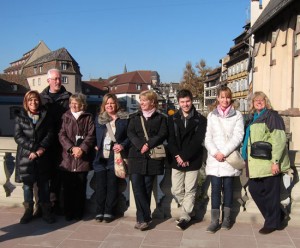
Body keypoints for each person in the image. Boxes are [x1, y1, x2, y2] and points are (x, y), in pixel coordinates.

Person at [241, 91, 290, 234]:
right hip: (255, 163)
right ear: (252, 103)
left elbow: (279, 140)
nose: (258, 102)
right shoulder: (252, 118)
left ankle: (272, 223)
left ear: (266, 101)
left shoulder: (272, 116)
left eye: (261, 100)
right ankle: (277, 216)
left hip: (268, 162)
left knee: (271, 194)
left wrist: (275, 162)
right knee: (254, 190)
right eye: (256, 100)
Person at [204, 86, 244, 233]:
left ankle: (226, 219)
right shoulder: (211, 115)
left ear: (230, 98)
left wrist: (224, 152)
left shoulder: (237, 115)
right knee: (215, 190)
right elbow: (208, 137)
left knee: (228, 189)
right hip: (215, 159)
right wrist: (215, 153)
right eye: (222, 97)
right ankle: (214, 221)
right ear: (217, 99)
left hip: (228, 158)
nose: (225, 100)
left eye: (227, 97)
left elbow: (238, 136)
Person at [127, 90, 168, 231]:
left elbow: (163, 134)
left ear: (152, 102)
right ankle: (146, 216)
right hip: (136, 157)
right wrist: (140, 145)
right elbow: (130, 133)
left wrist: (148, 144)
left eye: (144, 100)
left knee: (147, 188)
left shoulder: (161, 118)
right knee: (137, 189)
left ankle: (141, 219)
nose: (141, 102)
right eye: (140, 100)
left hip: (152, 158)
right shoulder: (134, 117)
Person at [167, 89, 207, 230]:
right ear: (178, 102)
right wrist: (179, 157)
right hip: (176, 159)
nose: (185, 104)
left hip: (193, 159)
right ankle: (190, 210)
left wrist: (185, 156)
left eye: (187, 101)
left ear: (192, 100)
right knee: (176, 190)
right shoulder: (171, 118)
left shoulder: (201, 119)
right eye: (182, 102)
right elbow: (170, 140)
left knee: (190, 189)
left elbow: (197, 141)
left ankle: (185, 216)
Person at [14, 90, 55, 224]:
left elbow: (50, 133)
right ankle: (28, 211)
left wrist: (40, 149)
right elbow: (18, 136)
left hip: (42, 156)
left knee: (44, 185)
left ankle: (45, 211)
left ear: (39, 101)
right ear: (26, 102)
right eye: (30, 100)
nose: (33, 102)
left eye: (36, 99)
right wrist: (33, 148)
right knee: (27, 185)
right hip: (26, 156)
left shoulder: (46, 115)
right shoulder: (20, 116)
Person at [93, 93, 129, 223]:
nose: (109, 105)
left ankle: (109, 211)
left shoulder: (124, 119)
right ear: (104, 105)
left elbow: (129, 137)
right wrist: (95, 145)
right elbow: (92, 135)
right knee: (101, 186)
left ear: (116, 104)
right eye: (107, 103)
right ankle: (99, 211)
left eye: (112, 103)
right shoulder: (99, 119)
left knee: (113, 185)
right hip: (101, 157)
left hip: (115, 157)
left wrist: (122, 145)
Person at [58, 93, 95, 221]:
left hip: (82, 159)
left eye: (76, 103)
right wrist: (71, 148)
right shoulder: (65, 116)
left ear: (82, 104)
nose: (73, 105)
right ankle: (69, 213)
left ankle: (79, 212)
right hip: (67, 159)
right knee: (67, 188)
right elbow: (61, 135)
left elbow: (91, 135)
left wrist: (82, 149)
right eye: (71, 103)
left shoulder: (88, 117)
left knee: (80, 187)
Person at [40, 68, 71, 214]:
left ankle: (57, 205)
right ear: (48, 81)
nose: (58, 81)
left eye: (60, 78)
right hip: (45, 143)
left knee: (60, 175)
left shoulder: (69, 97)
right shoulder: (40, 98)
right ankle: (43, 206)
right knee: (43, 176)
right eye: (55, 79)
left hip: (62, 143)